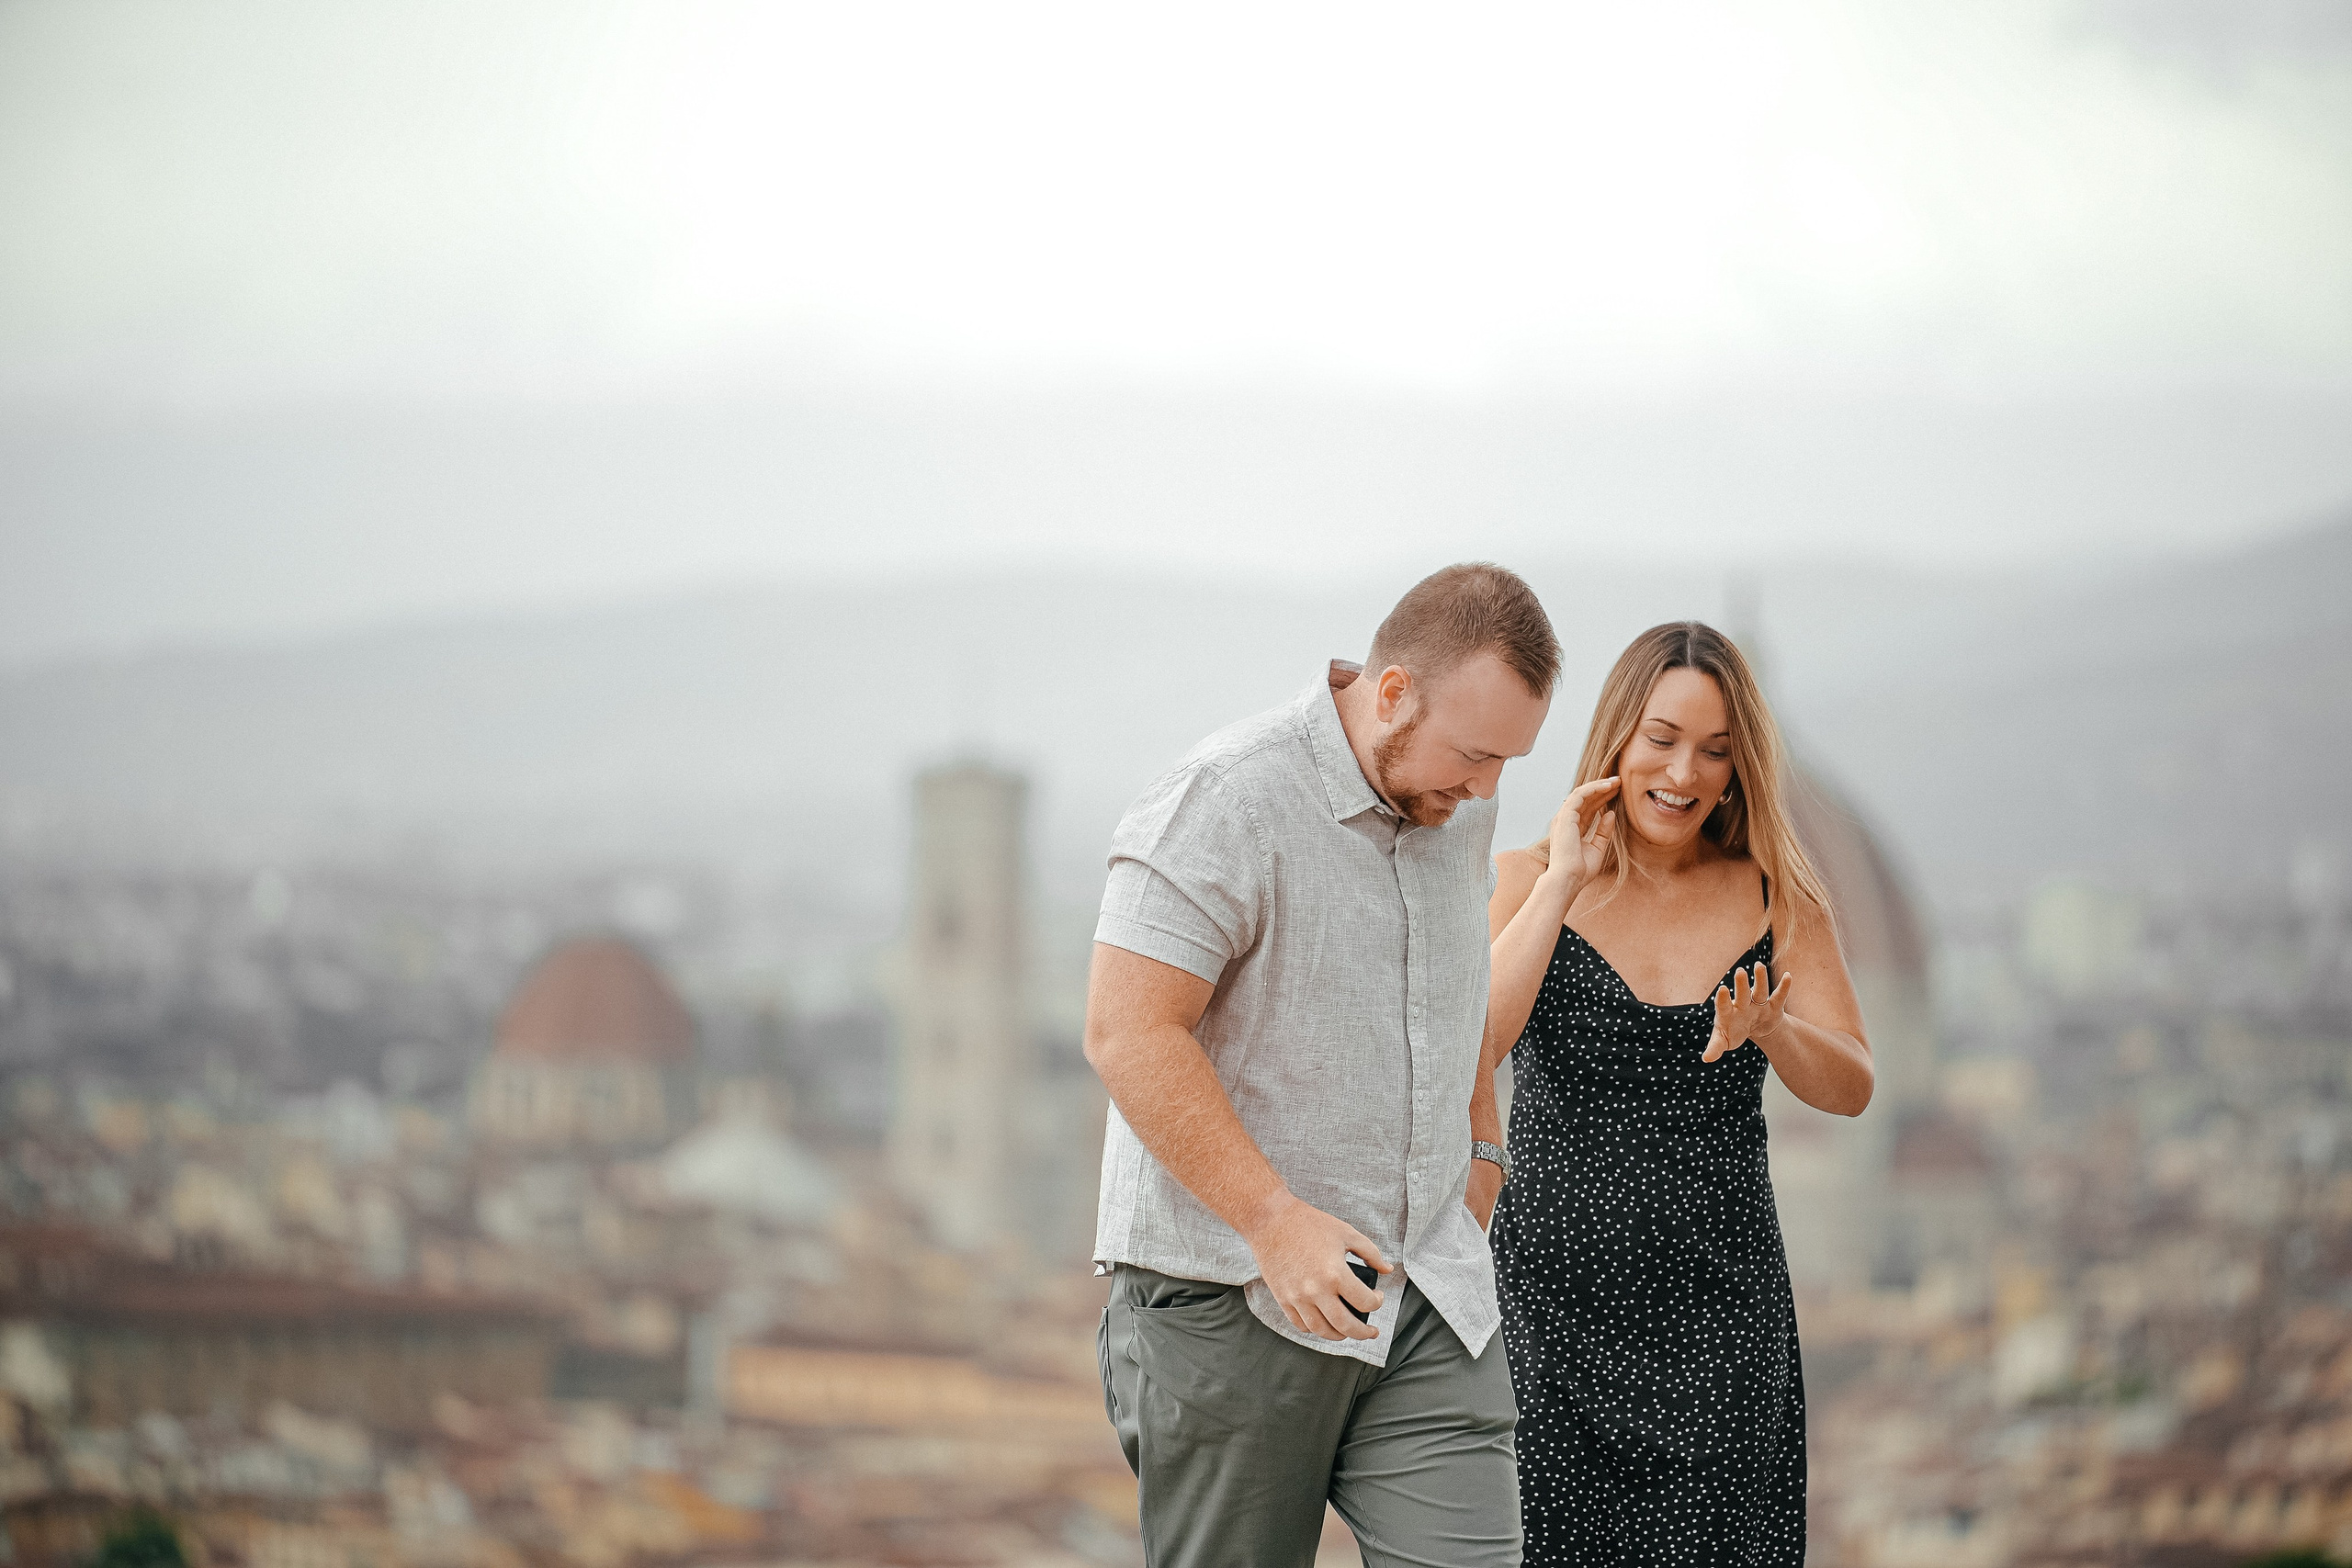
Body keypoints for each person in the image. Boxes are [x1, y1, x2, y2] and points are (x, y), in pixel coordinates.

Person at [1085, 563, 1560, 1568]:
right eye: (1474, 754)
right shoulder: (1224, 800)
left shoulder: (1455, 804)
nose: (1486, 789)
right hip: (1231, 1299)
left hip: (1428, 1296)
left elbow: (1456, 994)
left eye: (1507, 762)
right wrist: (1272, 1221)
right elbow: (1128, 1031)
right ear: (1392, 693)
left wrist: (1482, 1153)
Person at [1480, 621, 1873, 1566]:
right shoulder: (1528, 879)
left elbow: (1852, 1084)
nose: (1684, 772)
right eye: (1662, 739)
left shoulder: (1778, 895)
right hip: (1552, 1325)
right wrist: (1562, 883)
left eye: (1715, 750)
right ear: (1619, 735)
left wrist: (1774, 1029)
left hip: (1721, 1329)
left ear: (1740, 769)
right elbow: (1473, 1043)